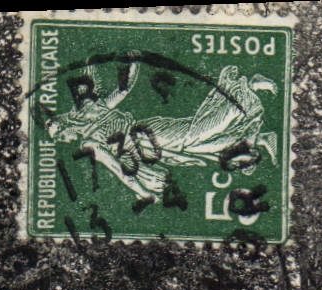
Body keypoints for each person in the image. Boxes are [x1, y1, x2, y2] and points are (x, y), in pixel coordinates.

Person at [46, 62, 278, 207]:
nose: (64, 141)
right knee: (205, 148)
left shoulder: (90, 140)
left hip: (149, 136)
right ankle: (258, 137)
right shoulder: (94, 121)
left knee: (197, 135)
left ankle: (246, 89)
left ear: (65, 126)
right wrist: (134, 64)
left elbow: (121, 172)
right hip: (153, 151)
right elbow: (124, 90)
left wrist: (143, 193)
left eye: (59, 136)